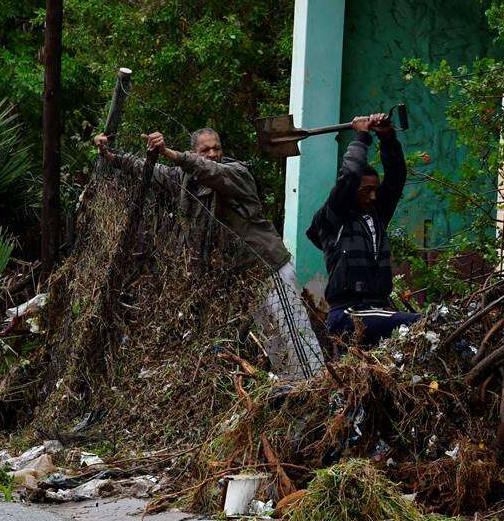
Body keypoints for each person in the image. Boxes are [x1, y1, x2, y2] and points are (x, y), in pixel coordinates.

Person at [91, 127, 324, 381]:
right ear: (195, 151)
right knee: (275, 345)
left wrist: (169, 153)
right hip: (248, 281)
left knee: (296, 338)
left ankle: (320, 389)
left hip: (270, 269)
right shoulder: (185, 181)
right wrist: (109, 155)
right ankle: (299, 396)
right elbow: (144, 169)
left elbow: (210, 172)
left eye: (217, 148)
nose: (213, 154)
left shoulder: (236, 173)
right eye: (205, 150)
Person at [305, 113, 420, 348]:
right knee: (420, 323)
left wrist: (387, 136)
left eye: (375, 190)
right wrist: (361, 136)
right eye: (366, 190)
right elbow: (349, 176)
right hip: (347, 315)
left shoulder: (377, 214)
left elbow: (397, 176)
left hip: (376, 310)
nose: (373, 196)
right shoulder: (333, 216)